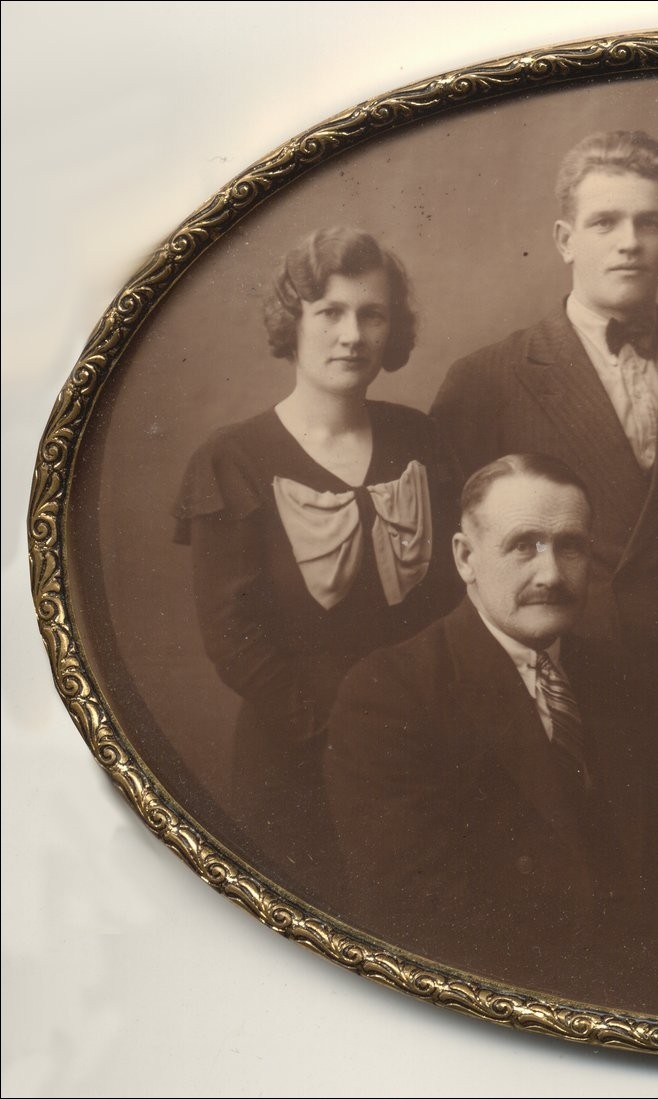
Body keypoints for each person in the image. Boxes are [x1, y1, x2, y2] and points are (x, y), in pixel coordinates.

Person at [429, 131, 658, 1008]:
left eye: (649, 222)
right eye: (605, 221)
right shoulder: (487, 379)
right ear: (564, 237)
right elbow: (456, 567)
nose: (628, 242)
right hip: (554, 692)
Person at [172, 227, 459, 892]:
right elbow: (231, 636)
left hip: (421, 747)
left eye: (372, 314)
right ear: (292, 322)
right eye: (330, 312)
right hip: (296, 753)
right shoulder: (232, 458)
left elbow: (450, 600)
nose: (352, 335)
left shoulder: (420, 438)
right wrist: (339, 735)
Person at [324, 455, 653, 1003]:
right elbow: (413, 909)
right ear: (465, 557)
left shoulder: (614, 675)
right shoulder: (390, 691)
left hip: (645, 977)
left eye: (571, 546)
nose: (551, 575)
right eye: (524, 545)